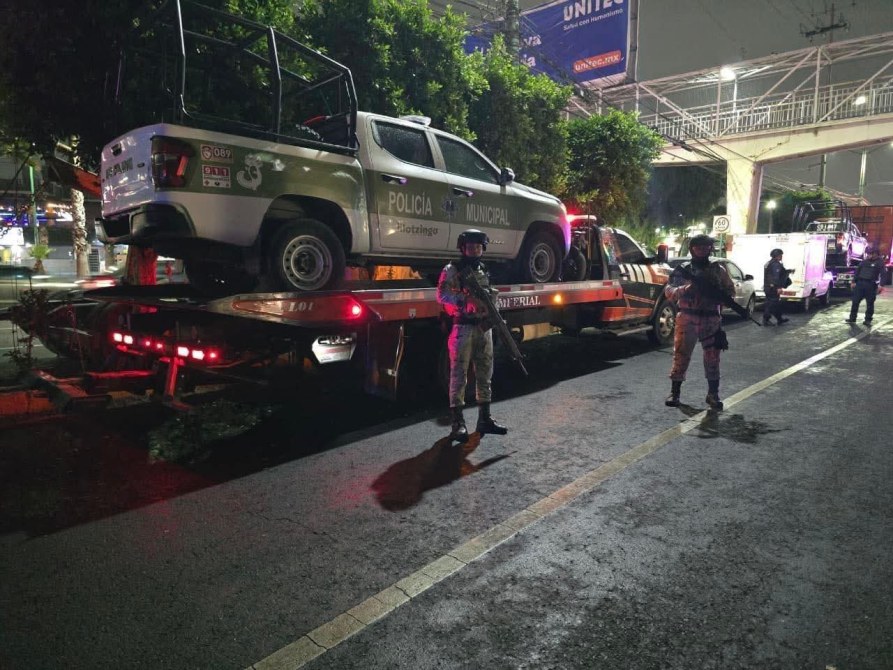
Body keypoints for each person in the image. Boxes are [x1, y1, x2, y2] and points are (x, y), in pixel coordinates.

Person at [437, 229, 508, 441]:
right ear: (462, 248)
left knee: (485, 373)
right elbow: (441, 294)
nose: (474, 250)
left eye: (478, 246)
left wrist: (492, 306)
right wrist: (465, 301)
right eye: (470, 246)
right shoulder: (453, 270)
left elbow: (489, 294)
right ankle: (457, 423)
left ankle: (484, 419)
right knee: (459, 375)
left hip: (483, 328)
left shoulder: (484, 270)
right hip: (463, 327)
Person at [664, 234, 735, 410]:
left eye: (706, 247)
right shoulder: (683, 269)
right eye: (699, 246)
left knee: (713, 358)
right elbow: (669, 292)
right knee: (681, 355)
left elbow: (730, 292)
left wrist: (718, 295)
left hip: (710, 317)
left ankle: (713, 394)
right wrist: (687, 289)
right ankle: (675, 392)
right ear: (692, 249)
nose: (702, 250)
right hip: (687, 316)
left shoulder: (718, 270)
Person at [847, 244, 885, 325]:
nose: (869, 255)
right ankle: (852, 318)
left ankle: (868, 320)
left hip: (871, 285)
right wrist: (854, 281)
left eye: (870, 253)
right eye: (868, 253)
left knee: (870, 303)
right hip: (860, 284)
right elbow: (858, 271)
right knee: (855, 301)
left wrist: (881, 285)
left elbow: (883, 274)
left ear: (875, 253)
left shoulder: (880, 262)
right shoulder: (864, 261)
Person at [762, 248, 790, 325]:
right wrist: (778, 287)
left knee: (775, 304)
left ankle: (779, 319)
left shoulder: (769, 263)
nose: (782, 256)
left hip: (768, 287)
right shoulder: (775, 264)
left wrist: (788, 271)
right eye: (781, 255)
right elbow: (775, 276)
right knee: (771, 304)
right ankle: (766, 320)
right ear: (777, 256)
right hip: (773, 288)